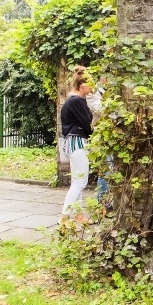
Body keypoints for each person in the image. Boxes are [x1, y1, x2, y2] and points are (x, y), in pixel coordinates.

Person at [59, 66, 94, 219]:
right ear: (83, 86)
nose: (92, 88)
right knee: (80, 182)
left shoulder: (71, 100)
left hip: (72, 142)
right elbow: (88, 124)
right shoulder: (77, 101)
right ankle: (64, 217)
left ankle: (78, 216)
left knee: (76, 181)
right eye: (90, 85)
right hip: (77, 143)